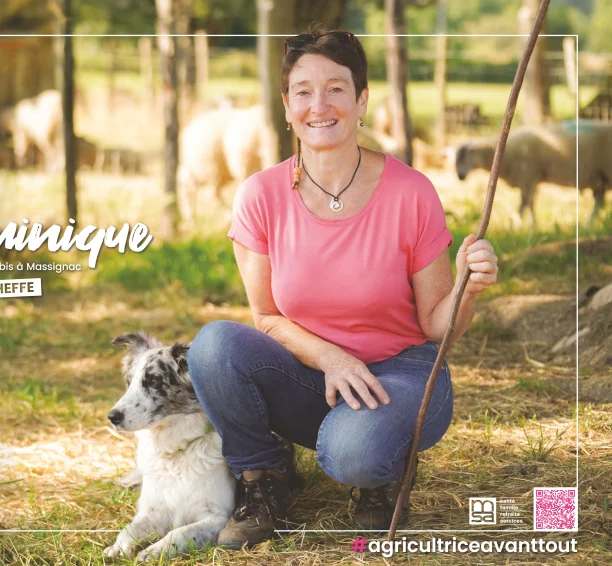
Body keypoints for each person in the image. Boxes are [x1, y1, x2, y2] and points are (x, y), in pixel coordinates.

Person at [187, 30, 499, 548]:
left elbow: (437, 327)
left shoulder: (411, 192)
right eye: (304, 91)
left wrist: (468, 287)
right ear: (287, 106)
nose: (320, 105)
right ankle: (264, 480)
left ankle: (380, 472)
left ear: (361, 100)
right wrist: (331, 358)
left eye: (336, 88)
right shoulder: (260, 195)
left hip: (401, 373)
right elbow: (265, 317)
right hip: (313, 374)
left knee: (353, 456)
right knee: (214, 346)